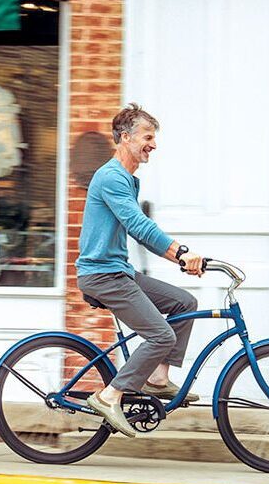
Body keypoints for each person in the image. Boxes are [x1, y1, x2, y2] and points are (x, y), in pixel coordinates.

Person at [76, 103, 205, 437]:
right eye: (148, 137)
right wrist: (181, 254)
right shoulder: (111, 177)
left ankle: (157, 379)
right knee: (160, 334)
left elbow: (140, 231)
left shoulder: (128, 180)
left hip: (119, 271)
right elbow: (138, 226)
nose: (154, 144)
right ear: (125, 137)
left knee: (184, 304)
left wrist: (175, 255)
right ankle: (109, 396)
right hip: (102, 275)